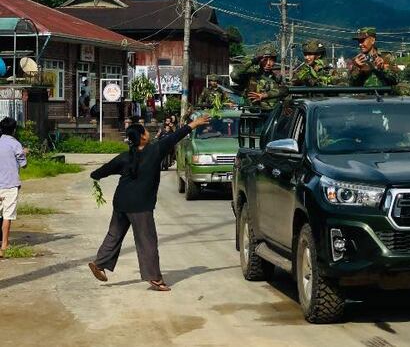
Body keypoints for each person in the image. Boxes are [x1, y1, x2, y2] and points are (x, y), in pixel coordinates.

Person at [87, 114, 211, 291]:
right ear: (143, 137)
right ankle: (154, 278)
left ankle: (99, 263)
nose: (148, 132)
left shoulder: (125, 156)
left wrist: (95, 176)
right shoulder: (155, 150)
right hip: (140, 206)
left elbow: (102, 171)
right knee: (147, 241)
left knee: (114, 235)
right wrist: (195, 123)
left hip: (121, 202)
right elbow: (176, 136)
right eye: (145, 131)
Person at [230, 43, 287, 110]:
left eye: (271, 60)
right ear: (259, 61)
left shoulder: (277, 78)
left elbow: (285, 90)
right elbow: (234, 74)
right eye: (265, 60)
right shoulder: (251, 76)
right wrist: (252, 61)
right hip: (252, 114)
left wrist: (265, 95)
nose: (268, 63)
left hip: (271, 115)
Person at [0, 118, 27, 258]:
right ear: (14, 130)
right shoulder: (15, 144)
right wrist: (24, 153)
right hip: (10, 184)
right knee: (7, 215)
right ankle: (4, 244)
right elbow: (23, 164)